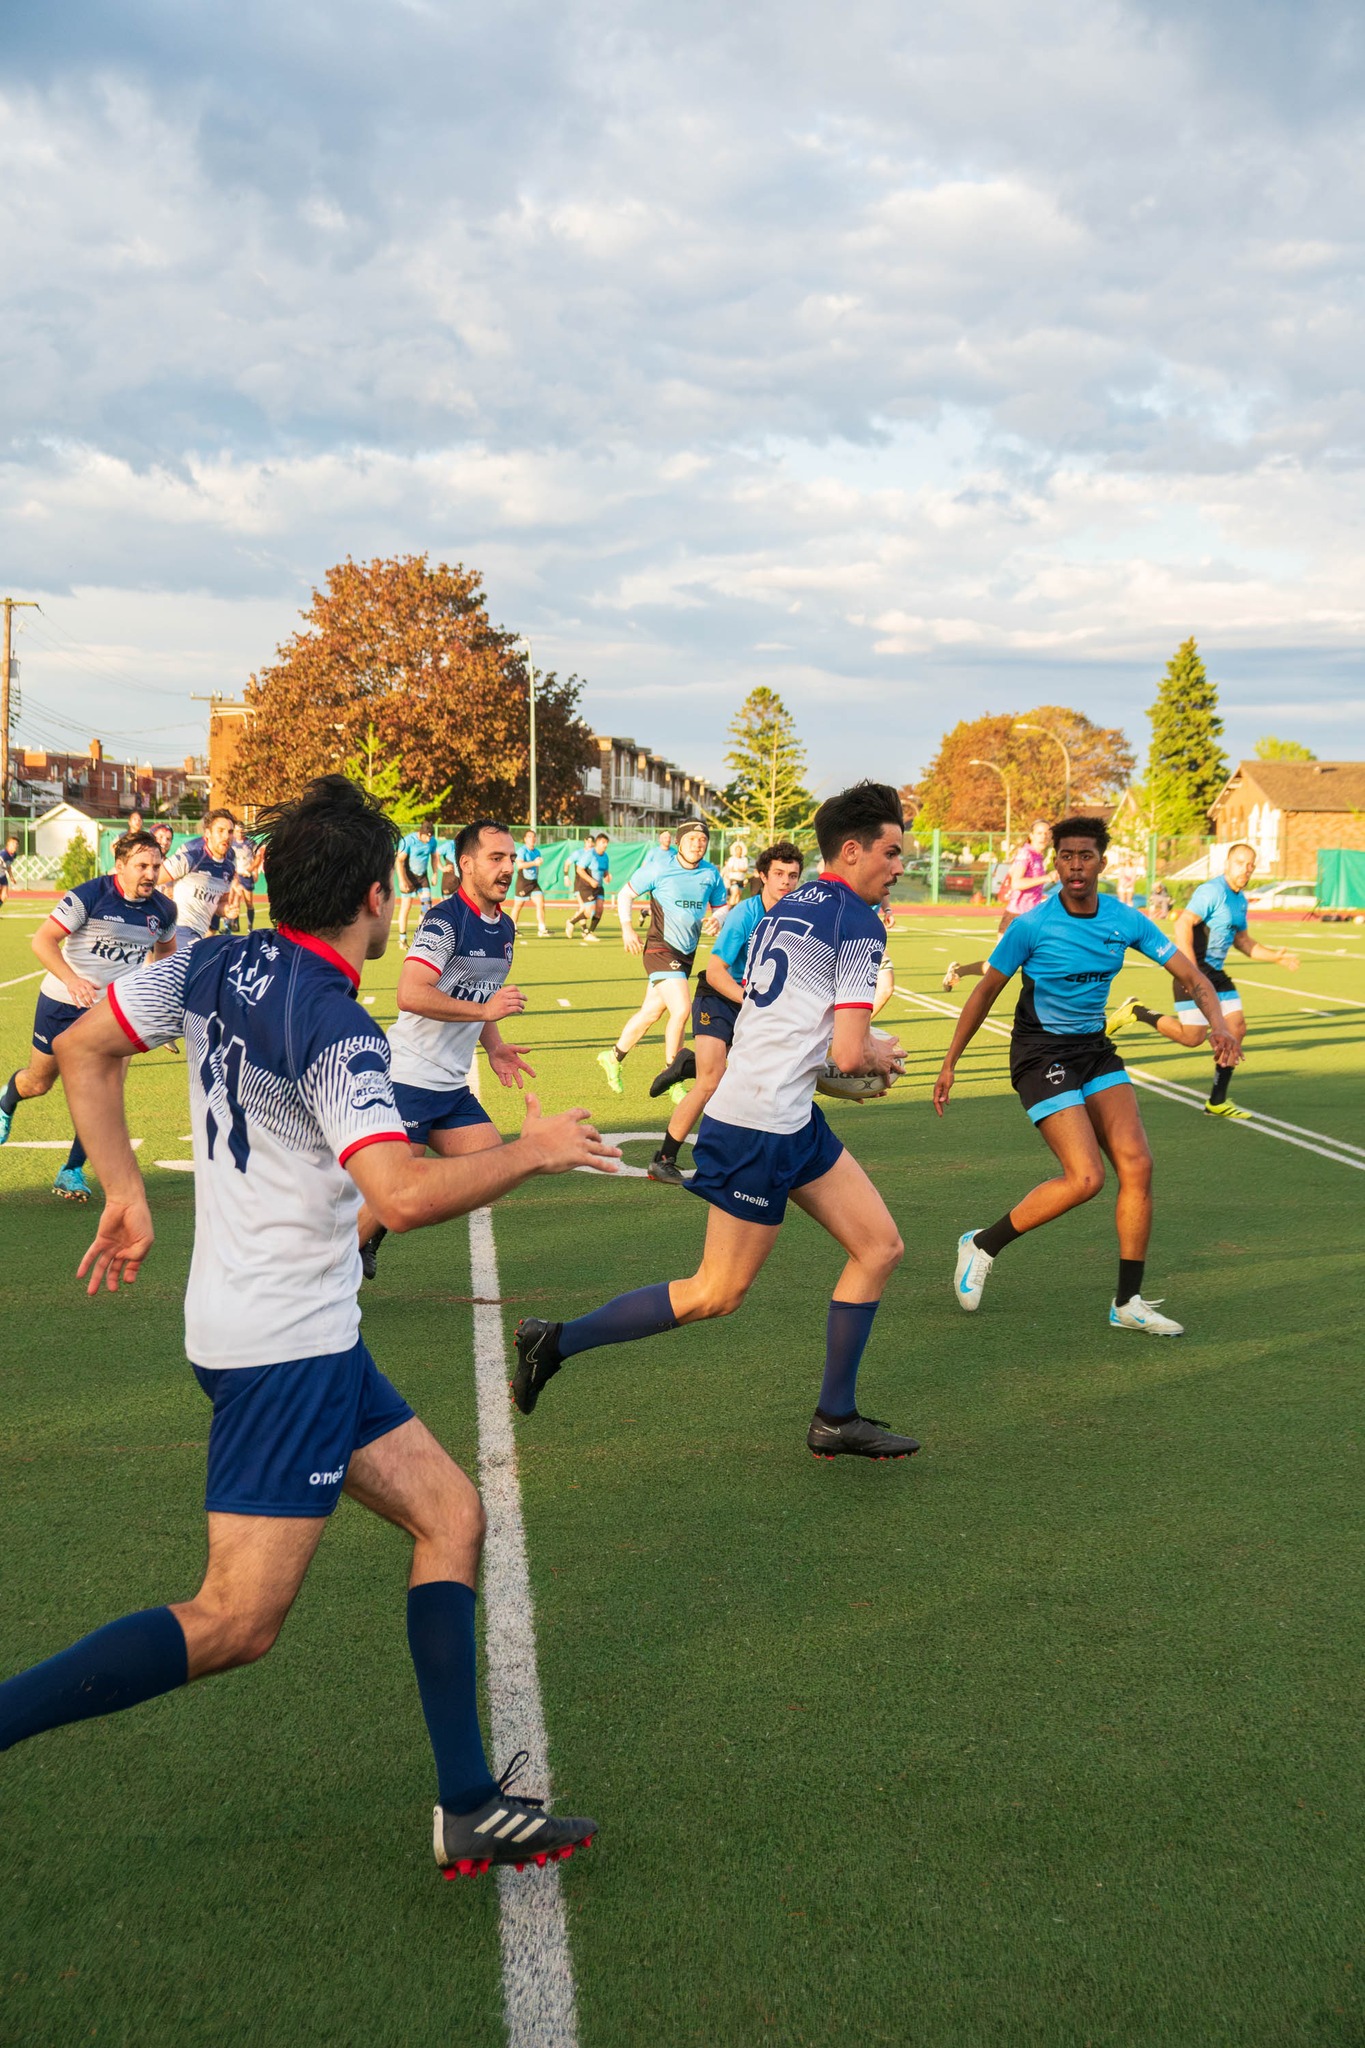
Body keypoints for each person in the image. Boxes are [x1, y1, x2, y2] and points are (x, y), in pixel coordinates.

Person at [0, 776, 616, 1878]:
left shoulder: (209, 957)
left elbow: (85, 1052)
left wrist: (125, 1188)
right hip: (286, 1343)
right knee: (236, 1617)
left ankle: (468, 1800)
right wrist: (535, 1148)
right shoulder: (339, 1026)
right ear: (375, 898)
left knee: (451, 1514)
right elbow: (403, 1193)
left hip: (274, 1323)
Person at [516, 781, 919, 1461]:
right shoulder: (857, 922)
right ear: (851, 852)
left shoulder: (794, 903)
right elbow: (849, 1051)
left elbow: (788, 1031)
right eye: (890, 852)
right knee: (715, 1292)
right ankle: (553, 1339)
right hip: (758, 1124)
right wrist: (872, 1054)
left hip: (786, 1116)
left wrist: (840, 1065)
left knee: (879, 1247)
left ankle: (835, 1418)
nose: (899, 866)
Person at [933, 816, 1240, 1337]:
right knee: (1086, 1179)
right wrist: (950, 1062)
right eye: (1067, 856)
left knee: (1137, 1164)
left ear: (1102, 861)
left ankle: (1127, 1301)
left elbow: (1191, 977)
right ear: (1056, 861)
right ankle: (982, 1244)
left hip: (1094, 1051)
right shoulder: (1033, 924)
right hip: (1038, 1053)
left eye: (1086, 856)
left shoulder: (1125, 919)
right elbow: (985, 992)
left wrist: (1219, 1028)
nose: (1076, 866)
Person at [358, 820, 534, 1281]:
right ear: (467, 864)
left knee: (492, 1169)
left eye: (511, 859)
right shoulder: (444, 920)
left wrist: (493, 1045)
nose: (507, 868)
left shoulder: (505, 927)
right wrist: (487, 1012)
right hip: (409, 1079)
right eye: (496, 858)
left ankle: (370, 1227)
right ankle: (313, 1284)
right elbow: (410, 994)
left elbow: (476, 997)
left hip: (450, 1087)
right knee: (392, 1195)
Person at [0, 832, 176, 1200]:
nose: (150, 873)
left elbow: (166, 957)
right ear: (121, 866)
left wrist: (154, 1001)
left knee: (106, 1093)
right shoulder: (90, 894)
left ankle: (72, 1170)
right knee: (38, 1082)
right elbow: (42, 940)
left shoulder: (163, 910)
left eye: (156, 866)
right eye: (142, 866)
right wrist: (72, 980)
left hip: (114, 1012)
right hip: (62, 1002)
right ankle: (6, 1104)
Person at [647, 841, 804, 1185]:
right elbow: (716, 971)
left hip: (756, 1004)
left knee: (762, 1082)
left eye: (793, 876)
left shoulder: (796, 917)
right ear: (762, 876)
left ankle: (689, 1063)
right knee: (711, 1081)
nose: (786, 882)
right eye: (778, 874)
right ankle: (663, 1159)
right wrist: (752, 1002)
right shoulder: (744, 914)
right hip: (719, 997)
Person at [1105, 843, 1298, 1119]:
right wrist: (1191, 972)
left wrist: (1275, 957)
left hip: (1216, 974)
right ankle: (1137, 1011)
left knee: (1237, 1028)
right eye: (1241, 862)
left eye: (1250, 864)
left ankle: (1216, 1102)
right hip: (1193, 970)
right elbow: (1183, 923)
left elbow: (1243, 941)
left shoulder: (1239, 899)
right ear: (1227, 864)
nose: (1246, 868)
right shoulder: (1212, 891)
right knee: (1192, 1037)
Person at [596, 820, 727, 1098]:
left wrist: (717, 918)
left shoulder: (710, 873)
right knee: (681, 1010)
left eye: (702, 840)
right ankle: (673, 1076)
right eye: (691, 839)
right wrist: (627, 928)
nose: (697, 844)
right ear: (679, 842)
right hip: (660, 948)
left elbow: (722, 906)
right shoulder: (660, 867)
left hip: (686, 953)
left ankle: (613, 1056)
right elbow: (625, 894)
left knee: (651, 1013)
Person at [943, 818, 1052, 991]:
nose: (1044, 836)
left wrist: (1041, 897)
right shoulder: (1026, 854)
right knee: (995, 967)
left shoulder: (1039, 856)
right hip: (1016, 917)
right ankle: (959, 971)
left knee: (1043, 958)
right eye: (1039, 833)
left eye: (1047, 833)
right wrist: (1046, 878)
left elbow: (1030, 889)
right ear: (1031, 835)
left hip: (1033, 917)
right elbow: (1017, 883)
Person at [162, 809, 241, 950]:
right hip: (177, 930)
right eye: (220, 830)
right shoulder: (191, 858)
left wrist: (227, 910)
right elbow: (150, 877)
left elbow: (220, 903)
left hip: (198, 934)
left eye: (230, 832)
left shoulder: (228, 868)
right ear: (208, 833)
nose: (226, 836)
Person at [395, 822, 438, 943]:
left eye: (430, 836)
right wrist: (402, 880)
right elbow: (399, 861)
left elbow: (434, 857)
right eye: (426, 836)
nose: (428, 839)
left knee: (427, 907)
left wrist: (435, 874)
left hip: (422, 877)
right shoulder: (409, 841)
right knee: (406, 906)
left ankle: (419, 937)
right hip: (408, 877)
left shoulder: (432, 841)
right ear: (421, 833)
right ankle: (402, 939)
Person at [566, 832, 611, 941]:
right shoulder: (590, 855)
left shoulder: (605, 856)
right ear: (597, 843)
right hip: (587, 886)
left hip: (599, 887)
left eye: (606, 843)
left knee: (600, 909)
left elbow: (605, 870)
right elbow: (579, 869)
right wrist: (591, 880)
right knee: (589, 911)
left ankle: (589, 933)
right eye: (603, 842)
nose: (605, 845)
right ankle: (571, 922)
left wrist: (607, 876)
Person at [509, 828, 551, 938]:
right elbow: (520, 865)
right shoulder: (522, 851)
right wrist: (534, 863)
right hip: (523, 882)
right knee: (518, 905)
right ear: (525, 839)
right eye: (529, 837)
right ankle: (512, 928)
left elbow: (537, 867)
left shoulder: (537, 852)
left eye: (533, 837)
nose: (532, 839)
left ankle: (542, 929)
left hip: (533, 883)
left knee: (541, 903)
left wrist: (536, 871)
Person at [226, 823, 263, 931]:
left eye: (241, 831)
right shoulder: (230, 842)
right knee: (233, 900)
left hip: (246, 875)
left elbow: (258, 857)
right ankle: (233, 925)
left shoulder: (250, 843)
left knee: (249, 902)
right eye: (237, 831)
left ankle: (250, 926)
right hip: (234, 875)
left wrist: (251, 870)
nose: (239, 833)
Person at [722, 838, 750, 908]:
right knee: (735, 893)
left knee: (738, 895)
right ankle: (729, 909)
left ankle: (735, 909)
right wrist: (740, 869)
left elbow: (745, 869)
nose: (738, 852)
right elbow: (731, 868)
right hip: (734, 879)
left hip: (741, 879)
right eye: (737, 850)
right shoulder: (732, 859)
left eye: (740, 850)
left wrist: (738, 869)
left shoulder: (744, 859)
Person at [0, 834, 20, 905]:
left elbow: (8, 866)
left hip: (2, 874)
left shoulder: (14, 855)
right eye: (13, 844)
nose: (15, 845)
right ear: (8, 844)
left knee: (4, 895)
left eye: (16, 844)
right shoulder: (3, 854)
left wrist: (11, 877)